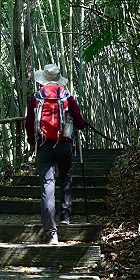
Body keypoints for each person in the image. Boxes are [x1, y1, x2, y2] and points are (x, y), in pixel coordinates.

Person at [25, 63, 87, 244]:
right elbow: (78, 119)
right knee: (66, 176)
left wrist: (31, 141)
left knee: (47, 184)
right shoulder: (67, 96)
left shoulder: (36, 97)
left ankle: (51, 232)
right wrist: (82, 125)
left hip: (43, 145)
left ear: (43, 79)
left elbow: (29, 123)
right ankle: (65, 216)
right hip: (64, 144)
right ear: (58, 79)